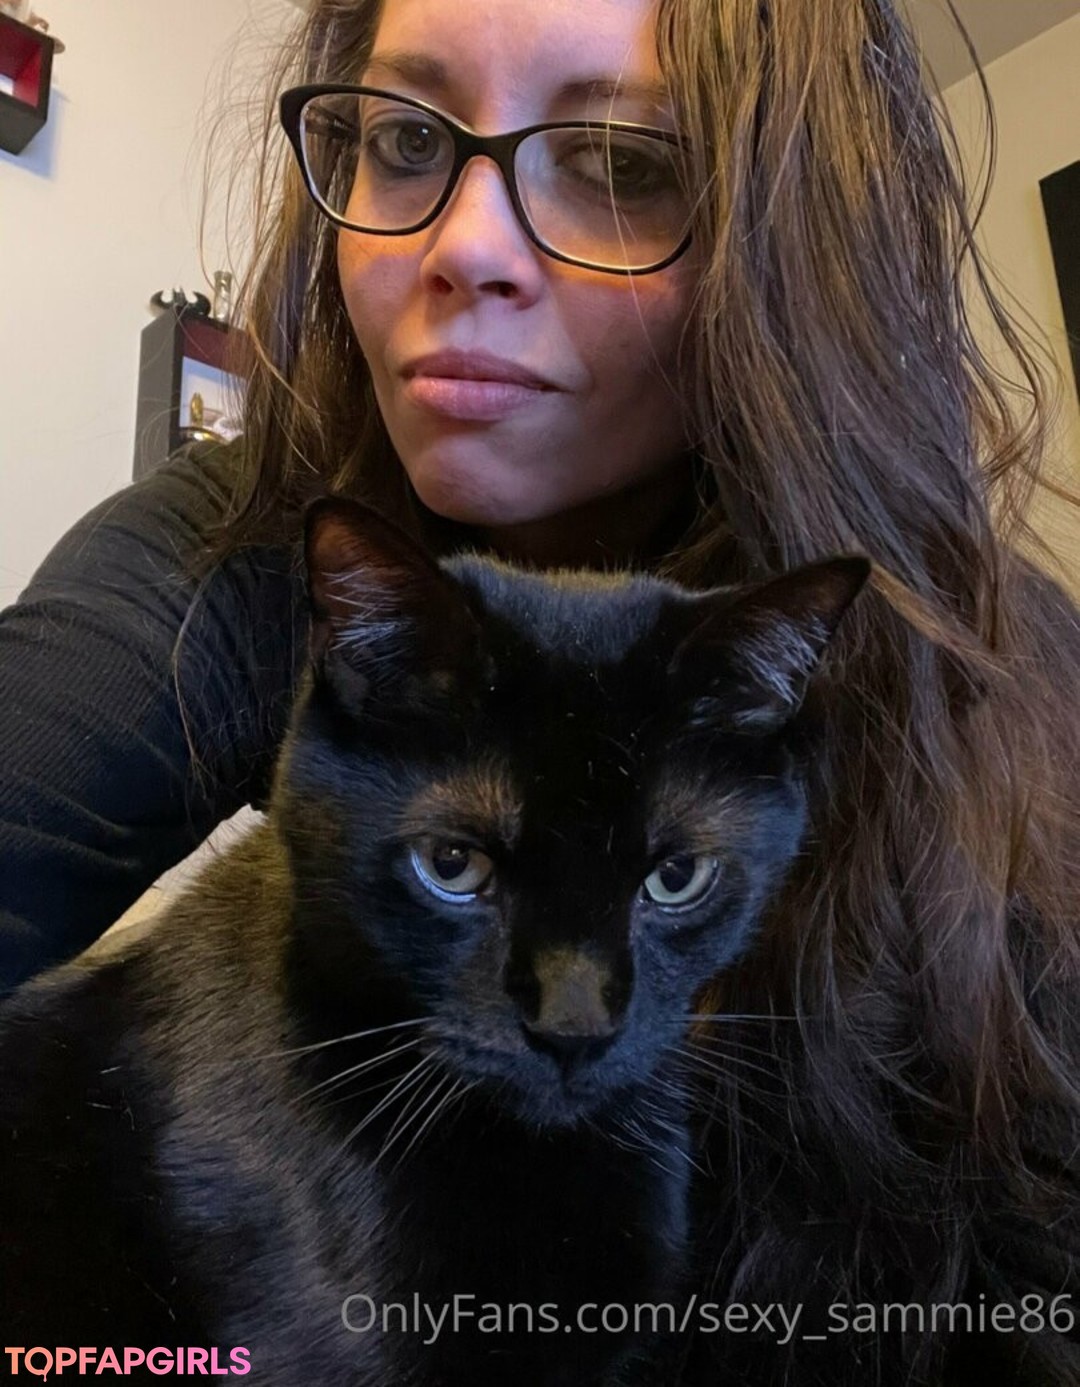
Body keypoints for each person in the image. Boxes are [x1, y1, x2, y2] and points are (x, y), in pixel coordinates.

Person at [1, 0, 1077, 1381]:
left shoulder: (992, 669)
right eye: (405, 140)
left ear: (791, 245)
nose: (464, 248)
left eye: (621, 165)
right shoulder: (228, 544)